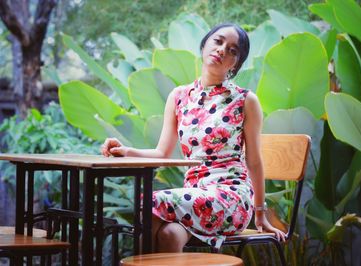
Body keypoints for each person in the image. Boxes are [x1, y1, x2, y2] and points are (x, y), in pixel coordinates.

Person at [101, 23, 286, 252]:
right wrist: (126, 151)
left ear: (236, 64)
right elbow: (162, 153)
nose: (222, 50)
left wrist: (260, 213)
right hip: (193, 196)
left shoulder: (245, 101)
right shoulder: (179, 97)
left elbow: (254, 161)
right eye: (218, 42)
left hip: (230, 197)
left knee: (150, 201)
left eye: (232, 50)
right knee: (170, 234)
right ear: (205, 44)